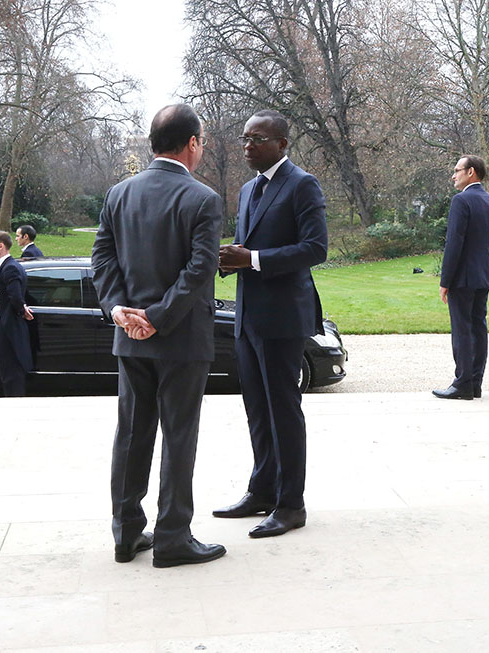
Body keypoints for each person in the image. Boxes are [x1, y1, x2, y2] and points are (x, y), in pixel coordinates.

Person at [91, 103, 226, 568]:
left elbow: (101, 262)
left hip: (131, 338)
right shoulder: (203, 199)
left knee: (131, 433)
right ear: (191, 143)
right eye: (201, 141)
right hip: (181, 338)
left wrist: (121, 312)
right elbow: (200, 269)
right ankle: (171, 537)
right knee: (178, 435)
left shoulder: (118, 194)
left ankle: (126, 534)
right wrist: (159, 316)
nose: (202, 148)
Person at [213, 109, 328, 538]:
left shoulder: (302, 184)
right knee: (257, 411)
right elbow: (252, 246)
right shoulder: (246, 190)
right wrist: (233, 258)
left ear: (281, 143)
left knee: (283, 411)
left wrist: (255, 260)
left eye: (257, 139)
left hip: (283, 319)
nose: (247, 146)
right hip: (248, 317)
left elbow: (316, 248)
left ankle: (290, 504)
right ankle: (261, 491)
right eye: (244, 138)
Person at [432, 155, 489, 400]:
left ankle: (463, 384)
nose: (454, 175)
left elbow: (454, 244)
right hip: (483, 276)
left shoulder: (462, 201)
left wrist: (445, 281)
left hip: (462, 278)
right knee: (478, 329)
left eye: (457, 170)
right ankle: (475, 383)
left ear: (471, 172)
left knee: (462, 330)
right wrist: (485, 267)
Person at [0, 230, 34, 397]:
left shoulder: (10, 268)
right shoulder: (8, 266)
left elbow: (15, 295)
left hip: (8, 326)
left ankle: (14, 401)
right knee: (9, 367)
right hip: (6, 324)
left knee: (11, 367)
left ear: (1, 246)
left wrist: (22, 309)